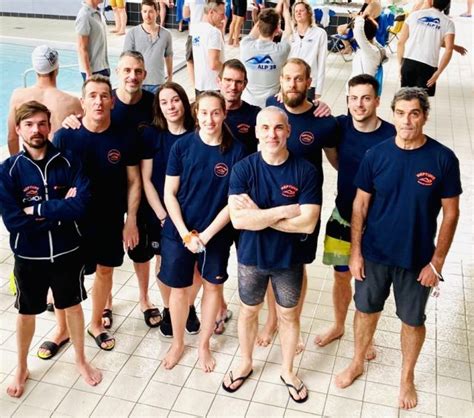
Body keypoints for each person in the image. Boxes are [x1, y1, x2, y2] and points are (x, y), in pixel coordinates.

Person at [335, 87, 462, 410]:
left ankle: (407, 376)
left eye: (414, 113)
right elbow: (359, 206)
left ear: (425, 117)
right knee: (365, 312)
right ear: (393, 114)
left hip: (416, 260)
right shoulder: (376, 155)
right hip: (374, 255)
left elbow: (451, 213)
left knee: (412, 321)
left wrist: (436, 263)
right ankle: (358, 361)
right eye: (401, 113)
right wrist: (355, 253)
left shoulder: (442, 158)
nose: (407, 120)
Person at [0, 101, 102, 398]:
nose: (36, 130)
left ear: (50, 127)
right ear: (18, 129)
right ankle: (21, 366)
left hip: (67, 251)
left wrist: (38, 210)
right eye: (29, 124)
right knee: (26, 311)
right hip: (29, 256)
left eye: (42, 123)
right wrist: (59, 213)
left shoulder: (70, 162)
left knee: (72, 306)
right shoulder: (9, 171)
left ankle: (81, 359)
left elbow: (81, 205)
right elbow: (14, 221)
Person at [223, 106, 321, 403]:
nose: (272, 134)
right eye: (265, 128)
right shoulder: (244, 168)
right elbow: (239, 220)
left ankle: (288, 371)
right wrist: (282, 213)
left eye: (278, 128)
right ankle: (245, 362)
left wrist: (260, 216)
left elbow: (308, 221)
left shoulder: (305, 170)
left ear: (288, 131)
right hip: (251, 258)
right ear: (256, 132)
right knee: (249, 311)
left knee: (288, 316)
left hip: (288, 261)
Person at [61, 51, 162, 331]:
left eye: (138, 70)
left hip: (129, 194)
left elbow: (135, 178)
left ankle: (142, 299)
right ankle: (96, 309)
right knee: (82, 268)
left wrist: (130, 218)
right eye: (127, 69)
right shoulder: (76, 127)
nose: (133, 75)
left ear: (144, 74)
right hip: (87, 207)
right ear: (118, 72)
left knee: (135, 254)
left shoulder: (152, 105)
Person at [54, 75, 141, 351]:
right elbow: (51, 177)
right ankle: (62, 329)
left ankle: (95, 323)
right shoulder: (66, 136)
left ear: (112, 101)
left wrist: (132, 220)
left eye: (104, 95)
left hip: (109, 219)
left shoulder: (124, 136)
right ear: (82, 102)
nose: (98, 101)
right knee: (67, 275)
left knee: (105, 271)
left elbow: (134, 181)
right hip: (72, 221)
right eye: (92, 95)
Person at [160, 92, 246, 371]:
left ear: (224, 114)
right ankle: (178, 343)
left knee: (212, 287)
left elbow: (234, 203)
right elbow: (169, 194)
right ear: (196, 113)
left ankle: (203, 345)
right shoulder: (182, 146)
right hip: (179, 232)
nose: (209, 119)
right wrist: (186, 233)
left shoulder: (237, 151)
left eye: (215, 113)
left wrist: (206, 236)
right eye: (204, 113)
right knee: (179, 290)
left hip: (216, 234)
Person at [261, 58, 338, 349]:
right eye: (287, 78)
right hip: (270, 203)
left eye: (298, 79)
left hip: (305, 207)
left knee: (297, 265)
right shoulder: (272, 104)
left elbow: (337, 162)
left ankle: (292, 320)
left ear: (309, 82)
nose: (292, 85)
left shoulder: (323, 121)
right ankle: (271, 321)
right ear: (280, 80)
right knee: (270, 264)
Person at [316, 74, 396, 354]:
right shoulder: (340, 126)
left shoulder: (391, 136)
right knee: (340, 276)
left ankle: (367, 338)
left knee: (369, 283)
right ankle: (339, 325)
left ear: (376, 100)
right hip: (342, 216)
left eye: (365, 98)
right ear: (347, 99)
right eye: (353, 98)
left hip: (377, 224)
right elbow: (333, 155)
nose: (359, 104)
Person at [141, 82, 202, 338]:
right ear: (158, 108)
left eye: (175, 100)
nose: (170, 106)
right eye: (164, 102)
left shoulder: (198, 134)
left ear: (184, 102)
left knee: (196, 265)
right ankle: (169, 308)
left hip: (193, 212)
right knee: (164, 263)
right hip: (160, 213)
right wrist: (163, 215)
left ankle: (187, 306)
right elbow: (146, 179)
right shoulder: (152, 135)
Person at [7, 45, 82, 155]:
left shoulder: (18, 96)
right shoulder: (72, 102)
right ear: (56, 69)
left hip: (32, 162)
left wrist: (16, 167)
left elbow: (12, 138)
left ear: (35, 69)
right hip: (60, 164)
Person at [397, 0, 455, 97]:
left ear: (431, 1)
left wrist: (400, 65)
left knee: (406, 98)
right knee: (422, 103)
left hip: (409, 63)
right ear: (447, 6)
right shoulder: (448, 23)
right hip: (428, 67)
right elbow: (449, 50)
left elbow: (400, 43)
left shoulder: (414, 15)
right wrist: (438, 72)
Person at [241, 8, 291, 108]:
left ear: (259, 26)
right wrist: (285, 10)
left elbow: (256, 30)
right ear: (277, 29)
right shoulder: (282, 50)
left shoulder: (245, 45)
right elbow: (289, 30)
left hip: (247, 102)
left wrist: (262, 18)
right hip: (270, 104)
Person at [124, 0, 173, 94]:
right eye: (144, 11)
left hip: (158, 82)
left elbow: (169, 56)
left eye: (150, 11)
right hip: (138, 82)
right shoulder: (132, 33)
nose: (147, 15)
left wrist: (170, 77)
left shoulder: (166, 34)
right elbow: (126, 60)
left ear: (157, 12)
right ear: (141, 12)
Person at [217, 59, 261, 154]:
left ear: (244, 84)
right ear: (219, 81)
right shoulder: (207, 113)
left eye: (238, 82)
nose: (233, 87)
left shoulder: (255, 114)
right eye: (228, 80)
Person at [287, 1, 327, 101]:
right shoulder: (290, 34)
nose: (298, 13)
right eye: (296, 11)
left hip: (310, 83)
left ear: (309, 13)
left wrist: (319, 90)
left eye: (301, 11)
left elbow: (322, 62)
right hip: (290, 81)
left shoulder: (319, 33)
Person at [191, 0, 226, 95]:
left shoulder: (195, 29)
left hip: (200, 85)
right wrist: (229, 69)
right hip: (213, 86)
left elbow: (190, 60)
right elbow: (214, 64)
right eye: (222, 14)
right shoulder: (213, 32)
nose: (224, 18)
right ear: (211, 12)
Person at [75, 0, 110, 80]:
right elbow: (82, 48)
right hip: (93, 71)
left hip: (103, 67)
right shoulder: (84, 16)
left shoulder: (98, 12)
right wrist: (88, 73)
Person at [183, 0, 206, 88]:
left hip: (194, 32)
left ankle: (195, 86)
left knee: (190, 59)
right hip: (207, 32)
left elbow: (185, 15)